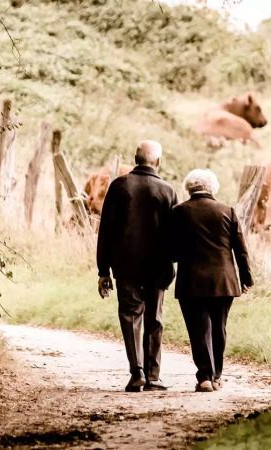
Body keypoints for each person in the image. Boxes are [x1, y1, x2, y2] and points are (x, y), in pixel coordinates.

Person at [96, 140, 178, 392]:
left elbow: (105, 231)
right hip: (158, 266)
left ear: (135, 158)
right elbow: (175, 234)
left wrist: (103, 270)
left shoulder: (119, 186)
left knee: (131, 316)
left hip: (126, 265)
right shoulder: (167, 190)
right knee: (154, 318)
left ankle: (137, 373)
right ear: (159, 162)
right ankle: (154, 376)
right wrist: (173, 261)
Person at [171, 169, 254, 393]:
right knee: (219, 328)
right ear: (212, 187)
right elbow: (241, 249)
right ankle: (217, 376)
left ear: (189, 187)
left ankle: (204, 377)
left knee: (198, 330)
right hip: (224, 280)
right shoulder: (227, 211)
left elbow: (172, 250)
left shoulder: (179, 212)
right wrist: (246, 278)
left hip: (191, 281)